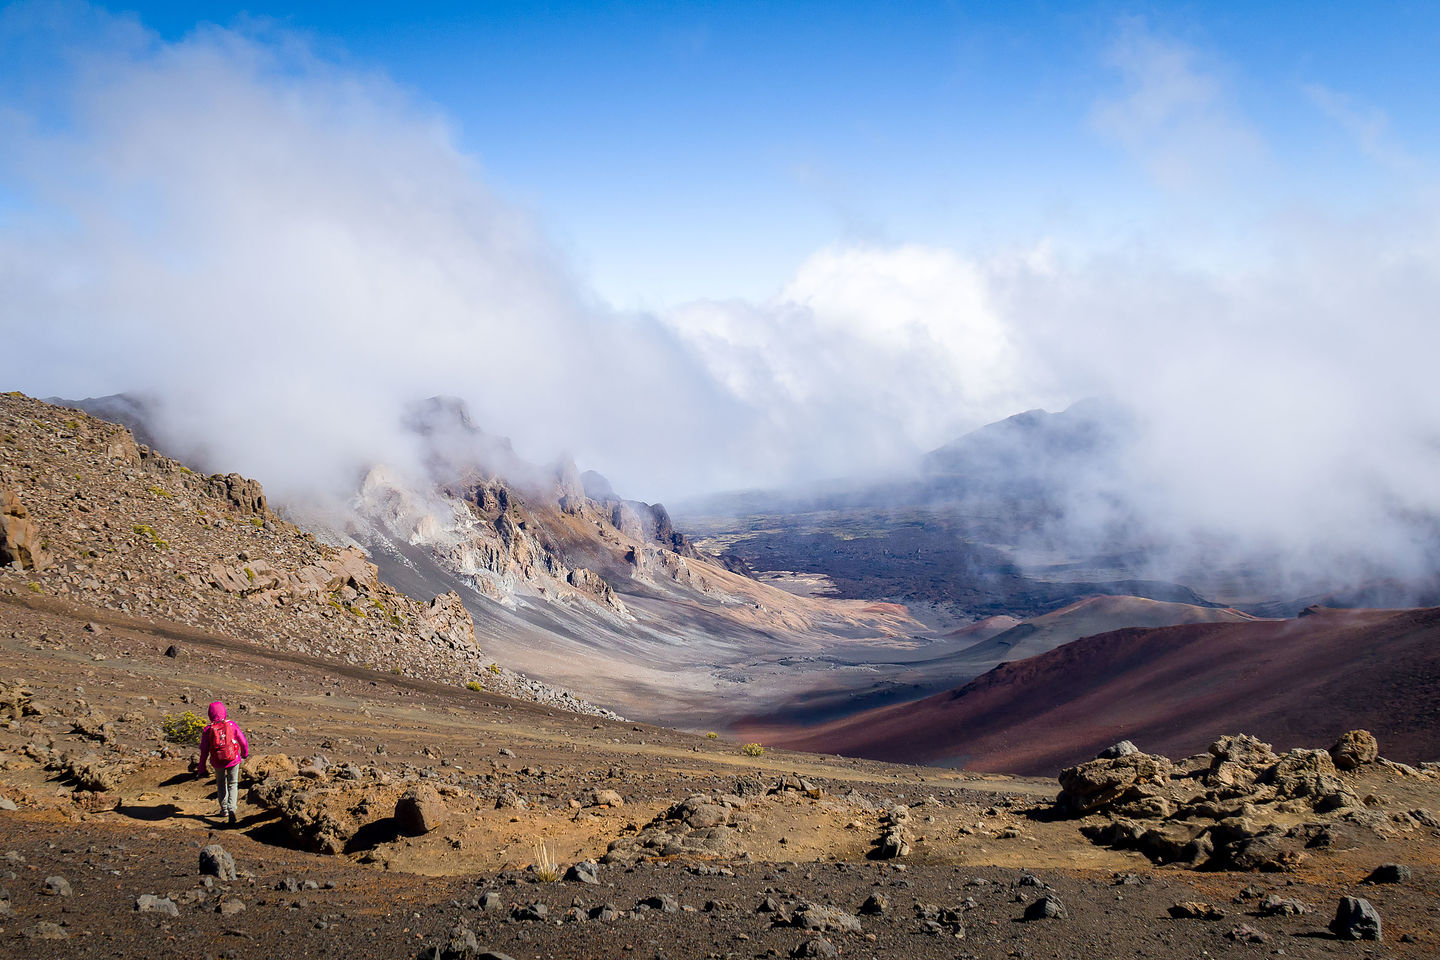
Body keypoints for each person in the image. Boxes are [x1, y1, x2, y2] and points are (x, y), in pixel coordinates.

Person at [197, 700, 250, 826]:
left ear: (210, 714)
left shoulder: (208, 730)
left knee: (221, 784)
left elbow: (204, 751)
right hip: (233, 759)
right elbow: (242, 740)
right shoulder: (231, 725)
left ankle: (224, 809)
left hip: (217, 761)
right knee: (233, 783)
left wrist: (201, 768)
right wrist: (244, 753)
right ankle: (232, 808)